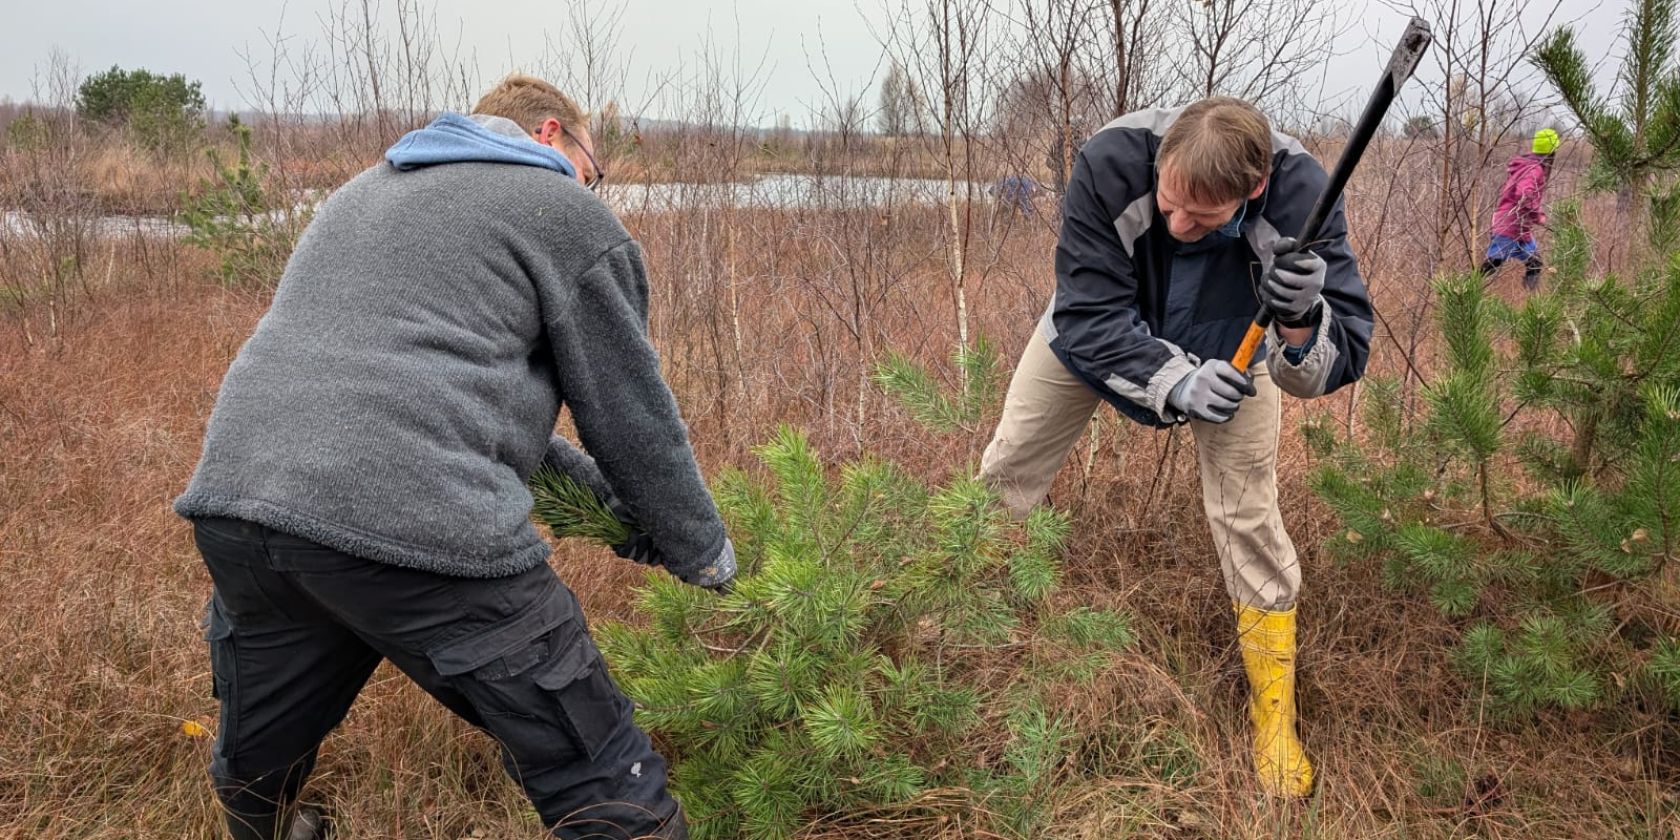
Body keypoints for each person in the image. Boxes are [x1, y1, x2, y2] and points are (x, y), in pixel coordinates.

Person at [174, 74, 733, 840]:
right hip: (414, 522)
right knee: (602, 778)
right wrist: (703, 551)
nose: (590, 187)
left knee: (258, 764)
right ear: (549, 136)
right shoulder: (561, 212)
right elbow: (632, 418)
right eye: (591, 168)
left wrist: (619, 516)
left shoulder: (358, 196)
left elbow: (441, 411)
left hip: (238, 507)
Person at [978, 97, 1373, 797]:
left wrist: (1302, 320)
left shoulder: (1303, 195)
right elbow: (1087, 310)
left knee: (1249, 519)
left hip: (1237, 355)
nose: (1177, 224)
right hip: (1095, 332)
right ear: (1160, 163)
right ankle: (965, 631)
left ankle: (1274, 721)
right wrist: (1178, 380)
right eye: (1170, 202)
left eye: (1203, 217)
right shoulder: (1109, 160)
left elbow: (1338, 360)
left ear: (1252, 191)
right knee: (1005, 471)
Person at [1478, 128, 1559, 290]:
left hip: (1520, 227)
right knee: (1494, 262)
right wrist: (1537, 215)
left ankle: (1533, 303)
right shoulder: (1534, 169)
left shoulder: (1529, 165)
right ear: (1551, 151)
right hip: (1509, 225)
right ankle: (1467, 289)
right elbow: (1524, 194)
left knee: (1535, 263)